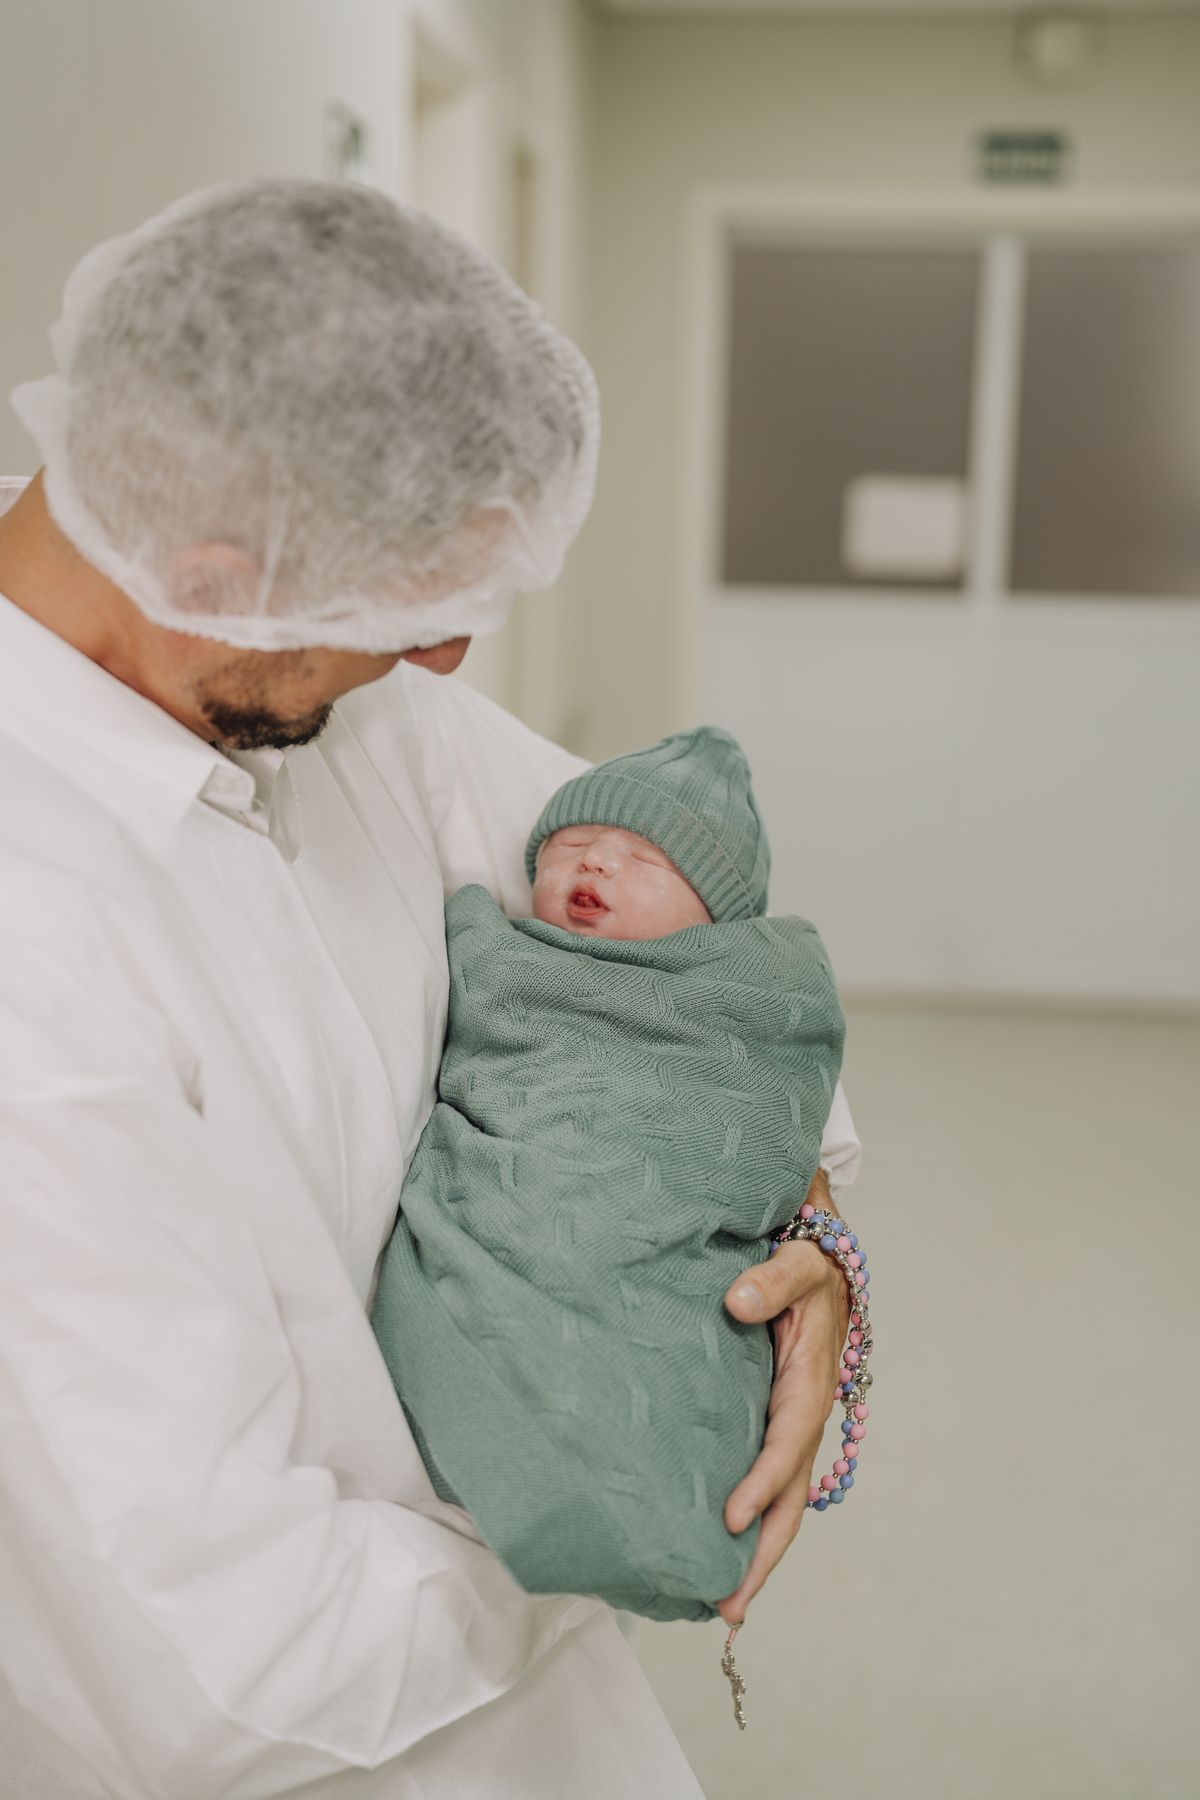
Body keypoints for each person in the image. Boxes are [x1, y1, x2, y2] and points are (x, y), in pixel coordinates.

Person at [0, 180, 859, 1799]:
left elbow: (692, 955)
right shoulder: (35, 951)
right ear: (214, 576)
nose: (448, 663)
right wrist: (621, 1502)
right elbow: (220, 1666)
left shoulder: (325, 689)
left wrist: (801, 1242)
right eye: (408, 619)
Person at [373, 725, 848, 1623]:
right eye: (571, 847)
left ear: (717, 926)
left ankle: (655, 1513)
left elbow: (775, 1119)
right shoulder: (503, 952)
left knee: (662, 1381)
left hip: (656, 1217)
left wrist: (822, 1236)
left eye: (644, 859)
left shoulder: (741, 1003)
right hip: (524, 1188)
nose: (595, 862)